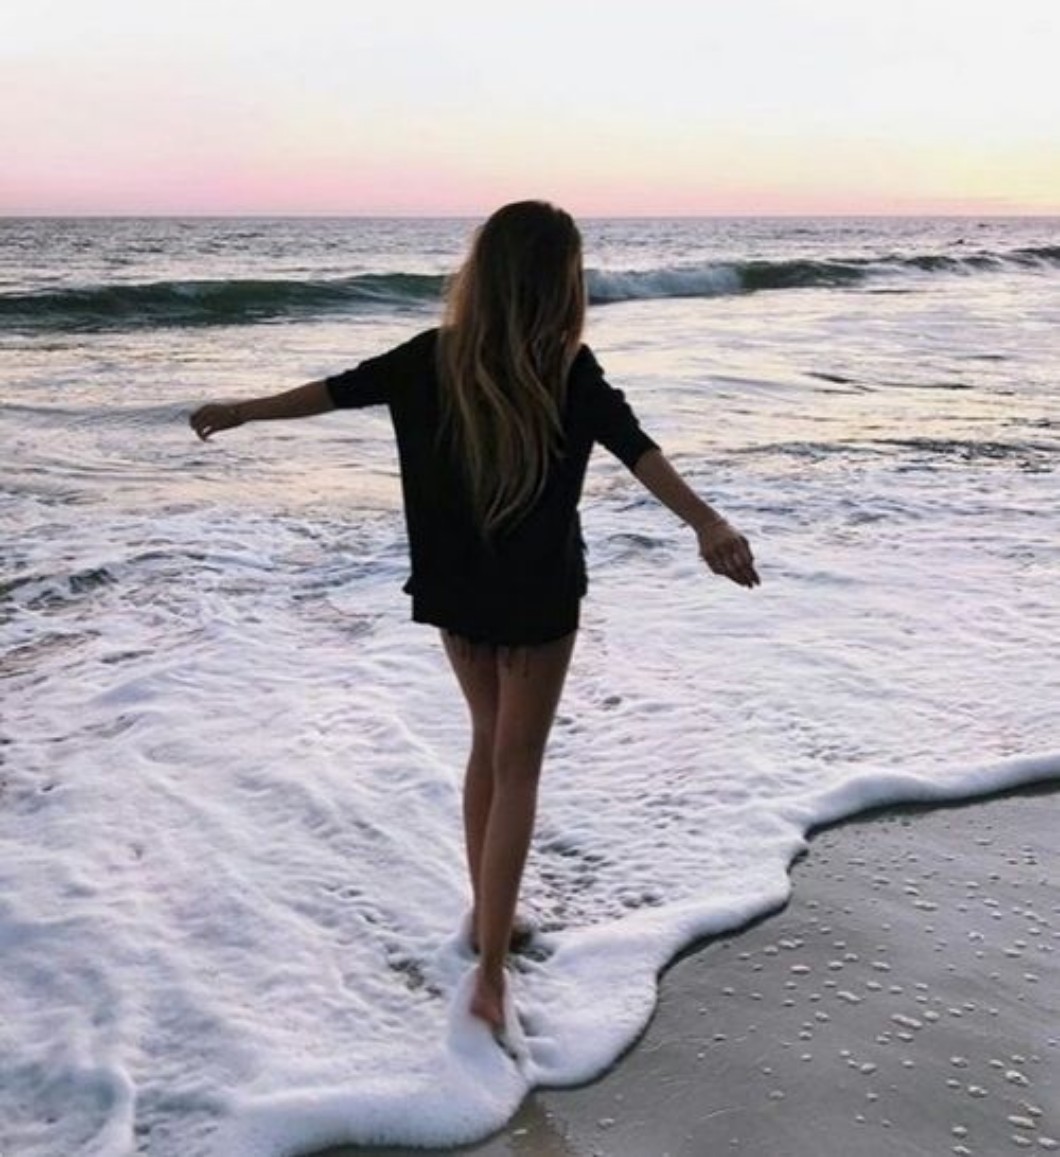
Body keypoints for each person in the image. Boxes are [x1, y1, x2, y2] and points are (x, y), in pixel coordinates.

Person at [189, 201, 759, 1035]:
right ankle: (491, 969)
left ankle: (488, 916)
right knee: (516, 763)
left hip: (455, 588)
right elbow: (638, 449)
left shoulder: (431, 356)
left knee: (488, 742)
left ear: (483, 273)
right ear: (560, 282)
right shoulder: (568, 368)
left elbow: (333, 392)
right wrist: (707, 522)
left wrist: (245, 409)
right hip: (537, 594)